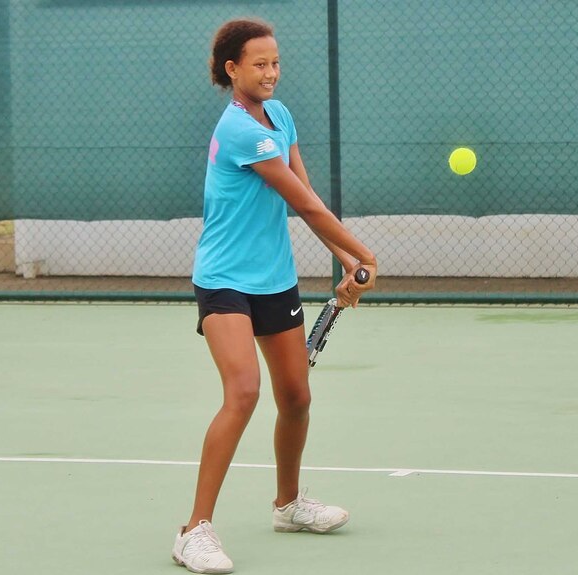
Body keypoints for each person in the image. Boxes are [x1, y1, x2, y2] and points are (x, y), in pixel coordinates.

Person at [171, 18, 377, 574]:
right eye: (258, 64)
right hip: (223, 281)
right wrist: (365, 257)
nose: (270, 72)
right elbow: (306, 206)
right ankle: (194, 532)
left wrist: (346, 263)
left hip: (274, 280)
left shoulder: (279, 116)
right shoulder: (240, 130)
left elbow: (305, 194)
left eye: (276, 63)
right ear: (231, 69)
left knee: (297, 397)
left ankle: (288, 505)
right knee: (243, 391)